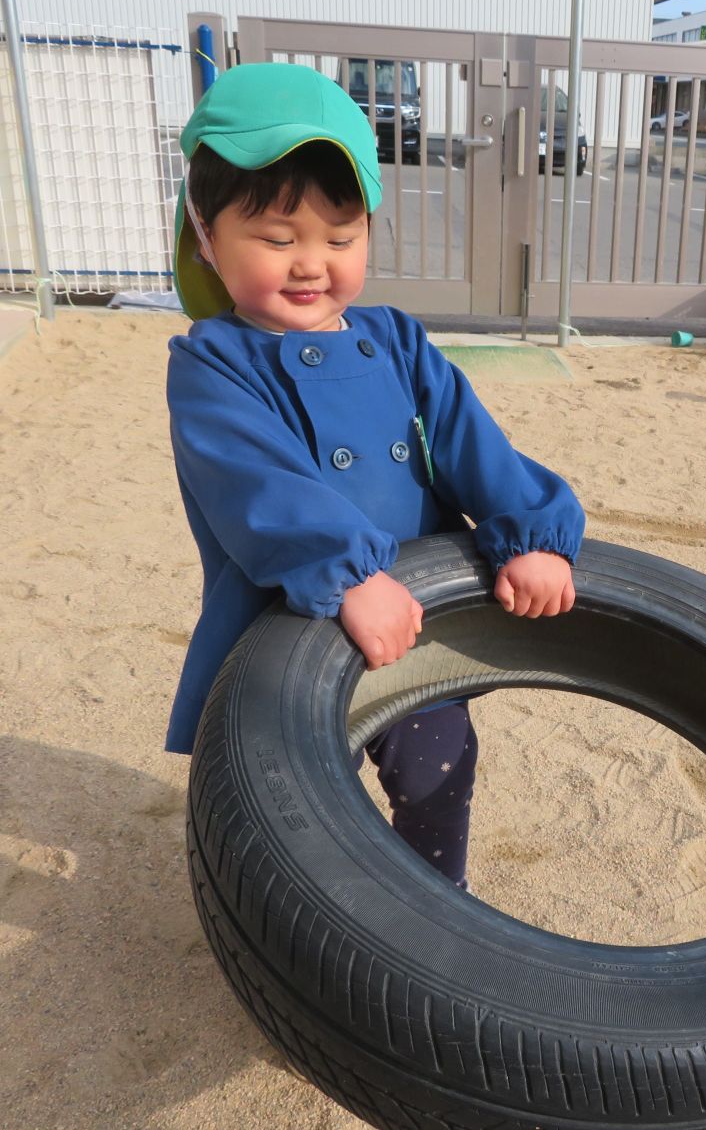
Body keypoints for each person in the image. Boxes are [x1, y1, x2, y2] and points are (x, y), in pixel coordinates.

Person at [165, 62, 585, 889]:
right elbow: (257, 482)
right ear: (207, 235)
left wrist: (527, 531)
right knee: (293, 794)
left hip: (411, 618)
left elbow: (469, 440)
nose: (309, 263)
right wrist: (348, 571)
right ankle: (298, 919)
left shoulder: (396, 339)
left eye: (340, 237)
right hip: (289, 620)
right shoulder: (212, 363)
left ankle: (429, 904)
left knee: (439, 766)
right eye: (277, 239)